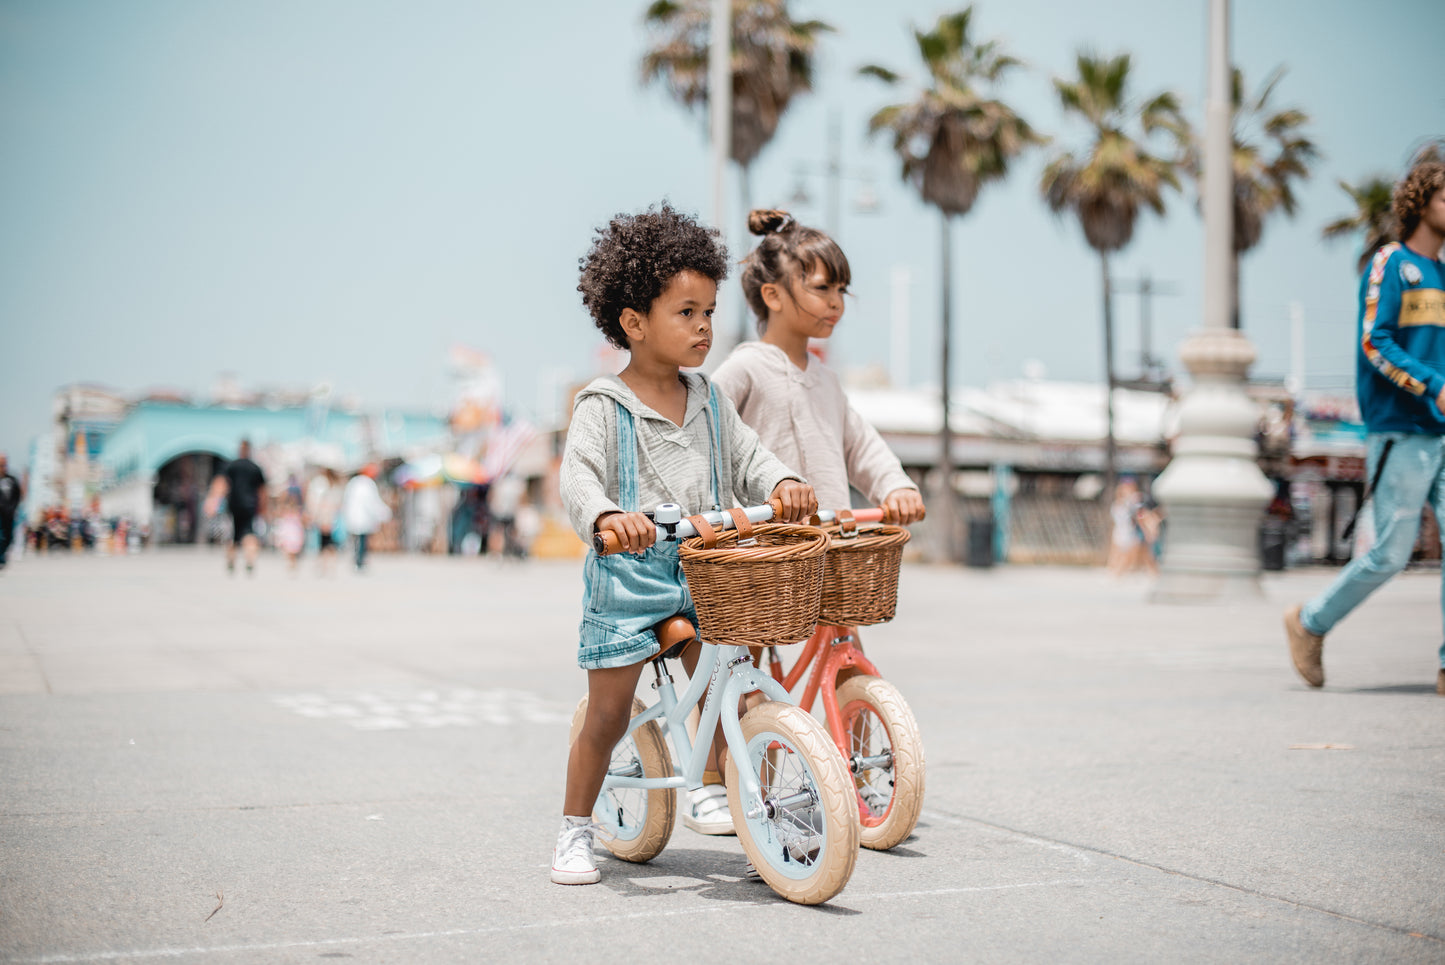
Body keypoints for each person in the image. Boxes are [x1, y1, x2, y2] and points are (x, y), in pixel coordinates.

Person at [553, 201, 817, 885]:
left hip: (705, 568)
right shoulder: (602, 405)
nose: (703, 328)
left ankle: (759, 815)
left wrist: (782, 481)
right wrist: (609, 515)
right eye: (685, 313)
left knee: (740, 686)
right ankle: (574, 829)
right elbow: (577, 477)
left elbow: (752, 456)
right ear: (633, 323)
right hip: (630, 575)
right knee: (608, 713)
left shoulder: (707, 396)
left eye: (708, 311)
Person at [710, 208, 923, 824]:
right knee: (744, 670)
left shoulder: (826, 380)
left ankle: (827, 769)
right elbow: (708, 430)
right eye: (821, 288)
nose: (836, 302)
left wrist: (898, 485)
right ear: (773, 295)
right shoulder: (747, 366)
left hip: (830, 538)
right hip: (763, 542)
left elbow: (863, 445)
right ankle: (726, 784)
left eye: (841, 290)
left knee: (831, 639)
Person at [1285, 157, 1445, 695]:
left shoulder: (1444, 275)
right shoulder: (1390, 264)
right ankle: (1310, 622)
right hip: (1401, 429)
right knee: (1390, 554)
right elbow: (1376, 341)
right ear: (1419, 203)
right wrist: (1432, 384)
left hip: (1442, 430)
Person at [205, 439, 267, 576]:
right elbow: (262, 491)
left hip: (233, 505)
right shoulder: (255, 468)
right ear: (249, 450)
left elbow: (221, 484)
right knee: (249, 533)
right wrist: (263, 509)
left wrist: (213, 502)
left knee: (232, 534)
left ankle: (231, 560)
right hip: (250, 506)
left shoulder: (231, 466)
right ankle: (250, 560)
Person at [341, 464, 391, 572]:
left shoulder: (354, 483)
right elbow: (372, 503)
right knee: (362, 541)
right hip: (362, 518)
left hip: (356, 517)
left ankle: (358, 560)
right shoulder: (367, 484)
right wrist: (384, 513)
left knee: (357, 540)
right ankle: (359, 561)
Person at [304, 468, 344, 576]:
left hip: (323, 516)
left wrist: (313, 514)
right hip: (332, 516)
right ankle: (330, 565)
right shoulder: (335, 485)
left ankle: (323, 565)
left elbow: (313, 501)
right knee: (330, 542)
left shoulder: (319, 483)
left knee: (323, 542)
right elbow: (339, 502)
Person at [0, 453, 23, 569]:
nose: (3, 467)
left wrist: (13, 508)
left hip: (9, 513)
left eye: (4, 464)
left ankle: (3, 555)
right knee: (0, 536)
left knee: (9, 537)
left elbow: (18, 495)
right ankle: (1, 558)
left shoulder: (12, 480)